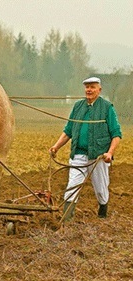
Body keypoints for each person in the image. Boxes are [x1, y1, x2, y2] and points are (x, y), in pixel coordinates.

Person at [49, 76, 122, 221]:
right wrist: (56, 147)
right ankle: (66, 220)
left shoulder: (107, 107)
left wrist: (110, 153)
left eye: (92, 87)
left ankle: (102, 210)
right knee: (73, 185)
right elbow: (68, 130)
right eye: (87, 87)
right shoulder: (78, 106)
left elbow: (116, 134)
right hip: (78, 154)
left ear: (99, 90)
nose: (89, 90)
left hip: (98, 156)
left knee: (101, 189)